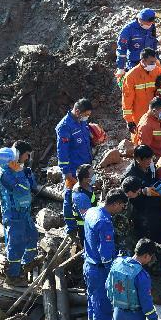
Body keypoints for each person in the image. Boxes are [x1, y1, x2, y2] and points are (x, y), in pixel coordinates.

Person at [84, 190, 129, 320]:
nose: (122, 209)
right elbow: (106, 254)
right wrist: (115, 271)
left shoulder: (91, 211)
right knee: (102, 303)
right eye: (122, 206)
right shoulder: (104, 223)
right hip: (99, 269)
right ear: (115, 203)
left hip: (88, 263)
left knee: (92, 298)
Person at [0, 144, 39, 286]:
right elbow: (21, 188)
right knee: (16, 243)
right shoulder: (4, 174)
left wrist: (28, 174)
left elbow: (32, 186)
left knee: (32, 235)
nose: (27, 158)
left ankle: (27, 263)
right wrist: (21, 173)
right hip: (13, 214)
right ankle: (13, 276)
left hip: (23, 211)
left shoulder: (16, 170)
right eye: (26, 154)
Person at [125, 144, 161, 249]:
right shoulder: (131, 174)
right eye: (146, 159)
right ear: (137, 159)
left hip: (156, 207)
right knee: (147, 242)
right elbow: (126, 193)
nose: (149, 161)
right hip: (142, 213)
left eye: (150, 158)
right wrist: (142, 191)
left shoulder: (151, 167)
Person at [57, 98, 93, 237]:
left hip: (85, 167)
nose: (87, 117)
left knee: (86, 193)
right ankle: (71, 227)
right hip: (73, 169)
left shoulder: (82, 122)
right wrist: (66, 172)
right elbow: (62, 151)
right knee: (70, 196)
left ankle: (85, 219)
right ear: (77, 111)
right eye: (86, 114)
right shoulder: (64, 126)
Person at [122, 48, 161, 137]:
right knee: (140, 140)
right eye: (151, 62)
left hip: (156, 112)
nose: (153, 64)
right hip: (139, 115)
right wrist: (129, 120)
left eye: (155, 61)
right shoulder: (131, 76)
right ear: (143, 61)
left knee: (158, 138)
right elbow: (127, 100)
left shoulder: (158, 71)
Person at [115, 9, 157, 80]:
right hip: (134, 62)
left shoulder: (152, 27)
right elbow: (121, 49)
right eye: (147, 23)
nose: (149, 25)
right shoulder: (128, 30)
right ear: (140, 20)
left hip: (149, 62)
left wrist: (156, 58)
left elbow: (154, 43)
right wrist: (121, 68)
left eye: (150, 23)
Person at [69, 163, 97, 244]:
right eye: (92, 174)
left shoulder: (86, 185)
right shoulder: (81, 196)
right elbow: (87, 218)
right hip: (86, 228)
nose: (94, 175)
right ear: (85, 179)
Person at [115, 180, 140, 256]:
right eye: (137, 192)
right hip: (120, 234)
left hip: (127, 229)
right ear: (129, 192)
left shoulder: (125, 196)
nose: (138, 194)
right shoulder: (120, 202)